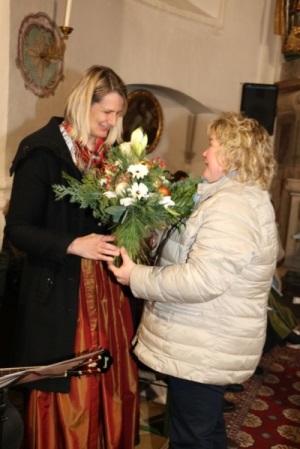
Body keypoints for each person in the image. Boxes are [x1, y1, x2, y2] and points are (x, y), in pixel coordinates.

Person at [108, 112, 278, 449]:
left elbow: (201, 280)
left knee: (191, 438)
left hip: (204, 343)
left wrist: (135, 276)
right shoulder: (228, 197)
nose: (204, 153)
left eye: (212, 145)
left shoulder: (233, 207)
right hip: (205, 340)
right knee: (206, 433)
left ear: (231, 156)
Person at [4, 66, 139, 449]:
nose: (112, 122)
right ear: (84, 105)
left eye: (117, 114)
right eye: (106, 114)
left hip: (107, 296)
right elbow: (17, 229)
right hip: (60, 295)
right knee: (67, 392)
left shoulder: (111, 159)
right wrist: (73, 244)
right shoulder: (41, 152)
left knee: (112, 383)